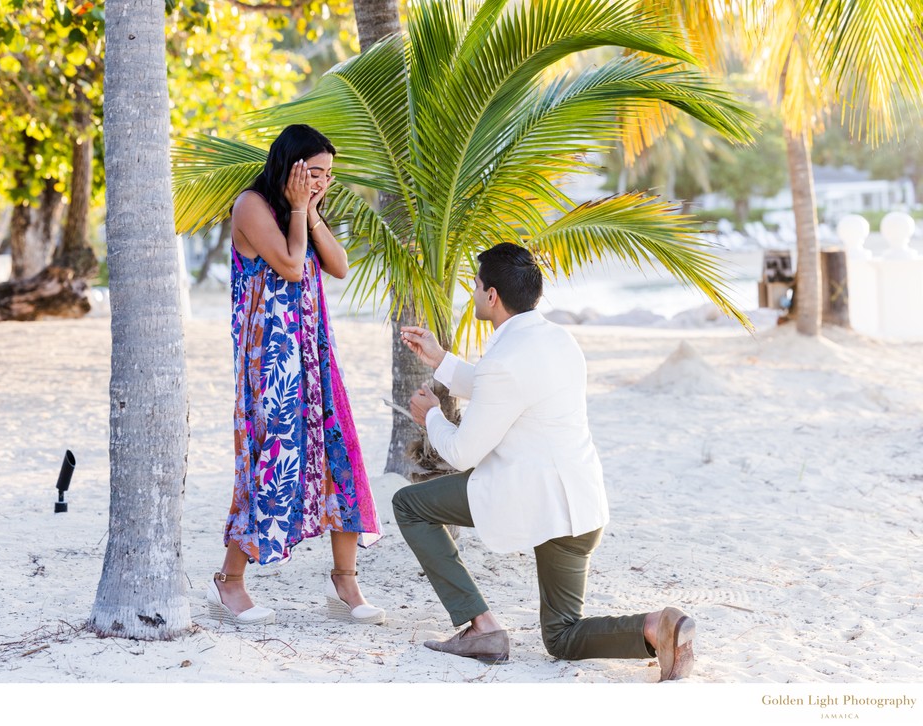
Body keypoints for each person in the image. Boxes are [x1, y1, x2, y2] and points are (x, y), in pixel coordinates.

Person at [394, 242, 695, 679]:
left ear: (492, 296)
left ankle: (482, 626)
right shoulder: (559, 339)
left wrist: (432, 417)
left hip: (532, 499)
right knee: (562, 636)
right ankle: (655, 626)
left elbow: (462, 453)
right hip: (582, 506)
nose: (474, 294)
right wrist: (442, 361)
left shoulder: (503, 359)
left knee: (409, 505)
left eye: (476, 286)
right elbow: (507, 390)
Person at [208, 124, 384, 627]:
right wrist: (301, 210)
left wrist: (308, 209)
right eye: (315, 172)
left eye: (329, 174)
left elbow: (340, 265)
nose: (323, 181)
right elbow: (288, 265)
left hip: (313, 353)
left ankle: (344, 580)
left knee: (338, 454)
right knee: (273, 461)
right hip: (271, 362)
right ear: (290, 166)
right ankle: (230, 580)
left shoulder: (301, 212)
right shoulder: (251, 207)